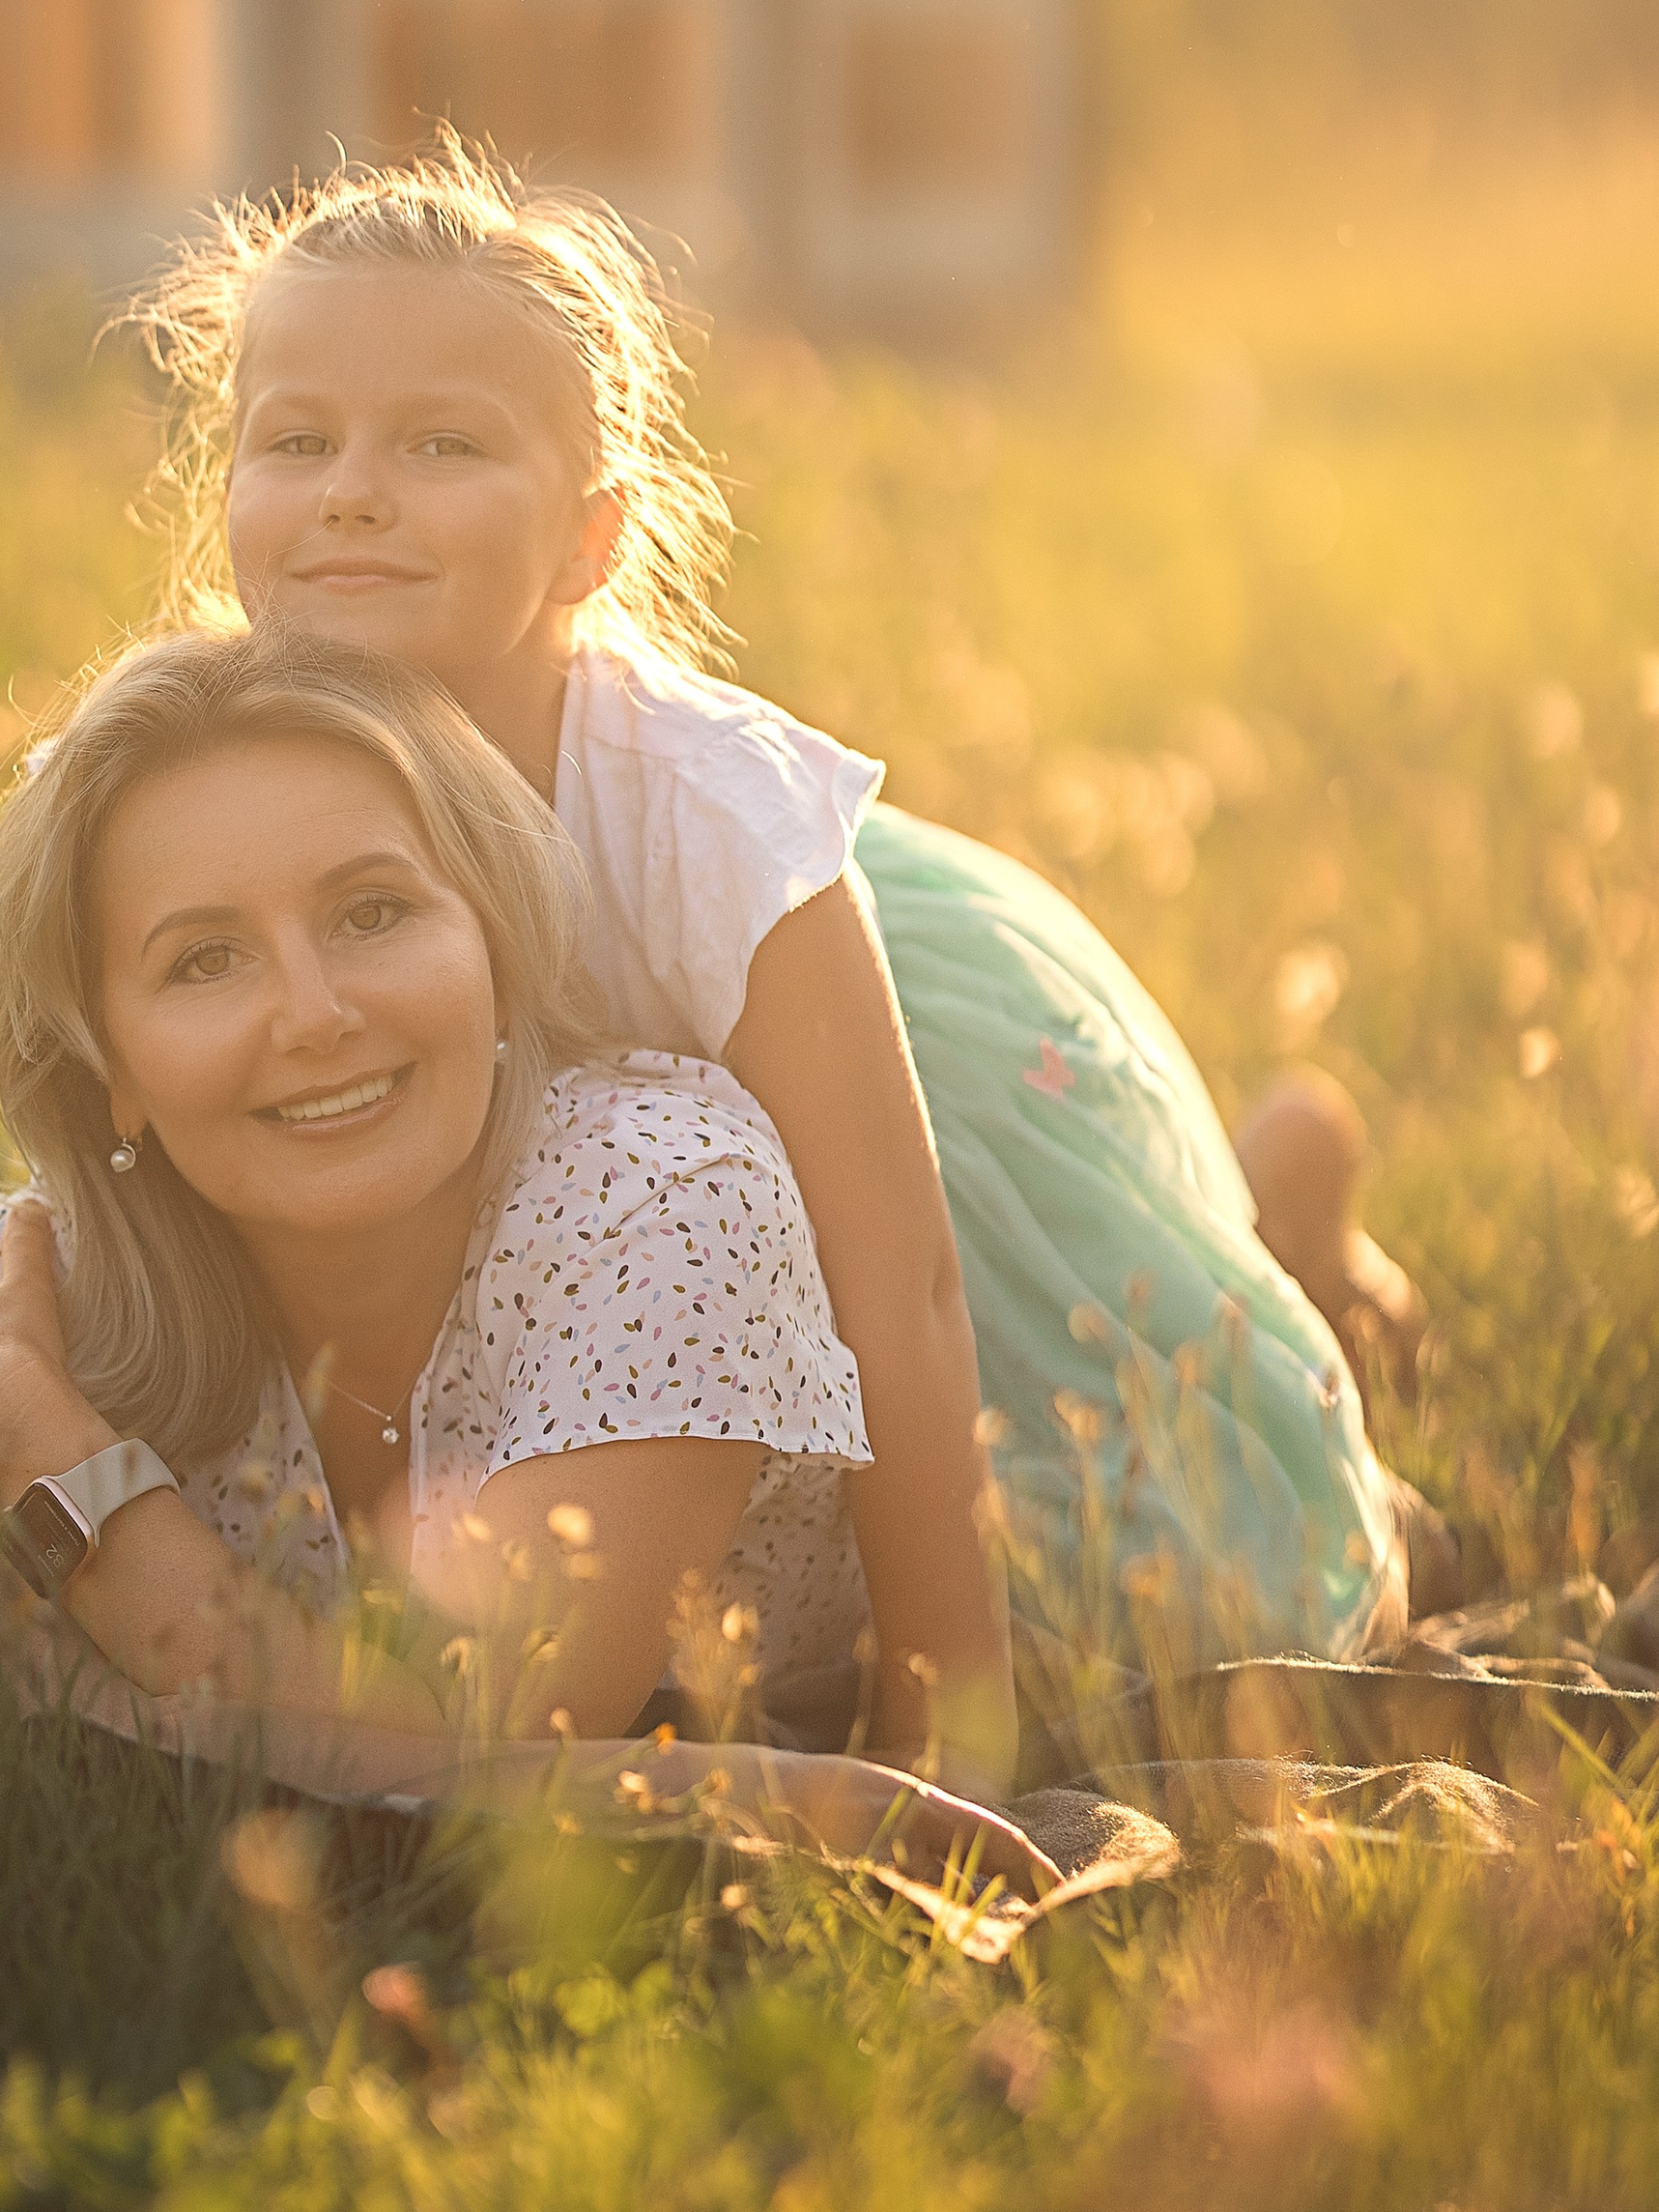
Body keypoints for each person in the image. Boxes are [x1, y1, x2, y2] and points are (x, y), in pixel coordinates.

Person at [115, 137, 1412, 1682]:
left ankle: (1293, 1230)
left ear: (589, 537)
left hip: (873, 1100)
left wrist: (947, 1692)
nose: (354, 500)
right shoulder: (209, 760)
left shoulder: (700, 818)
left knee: (1134, 1494)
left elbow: (903, 1284)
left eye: (442, 448)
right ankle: (1286, 1219)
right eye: (298, 441)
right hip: (581, 1232)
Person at [0, 622, 1042, 1866]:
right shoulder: (13, 1321)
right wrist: (728, 1790)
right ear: (109, 1066)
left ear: (491, 939)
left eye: (373, 912)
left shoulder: (671, 1203)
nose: (316, 1014)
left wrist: (59, 1469)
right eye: (204, 959)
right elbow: (17, 1716)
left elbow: (468, 1737)